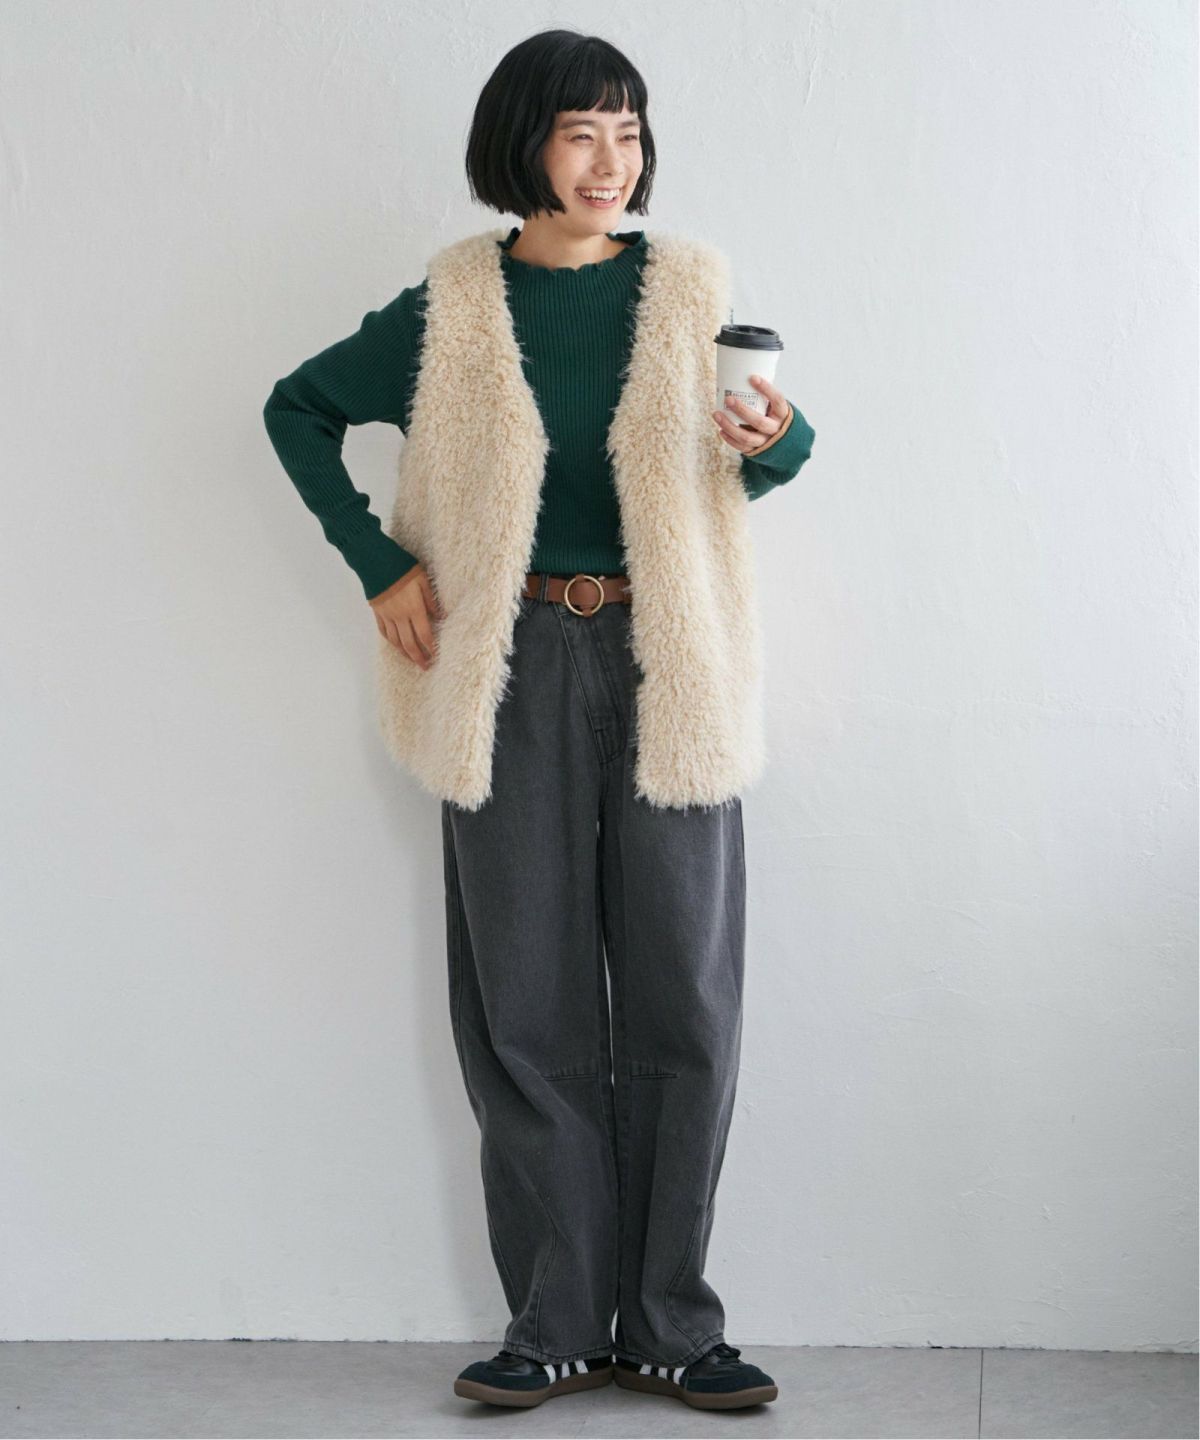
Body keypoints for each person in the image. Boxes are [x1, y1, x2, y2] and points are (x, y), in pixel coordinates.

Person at [263, 28, 815, 1414]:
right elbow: (296, 409)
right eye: (580, 132)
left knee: (686, 994)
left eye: (628, 131)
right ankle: (559, 1319)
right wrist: (380, 565)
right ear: (523, 145)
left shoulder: (688, 292)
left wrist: (779, 439)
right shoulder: (453, 306)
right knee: (527, 998)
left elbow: (770, 452)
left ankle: (674, 1325)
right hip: (505, 665)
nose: (609, 161)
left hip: (667, 662)